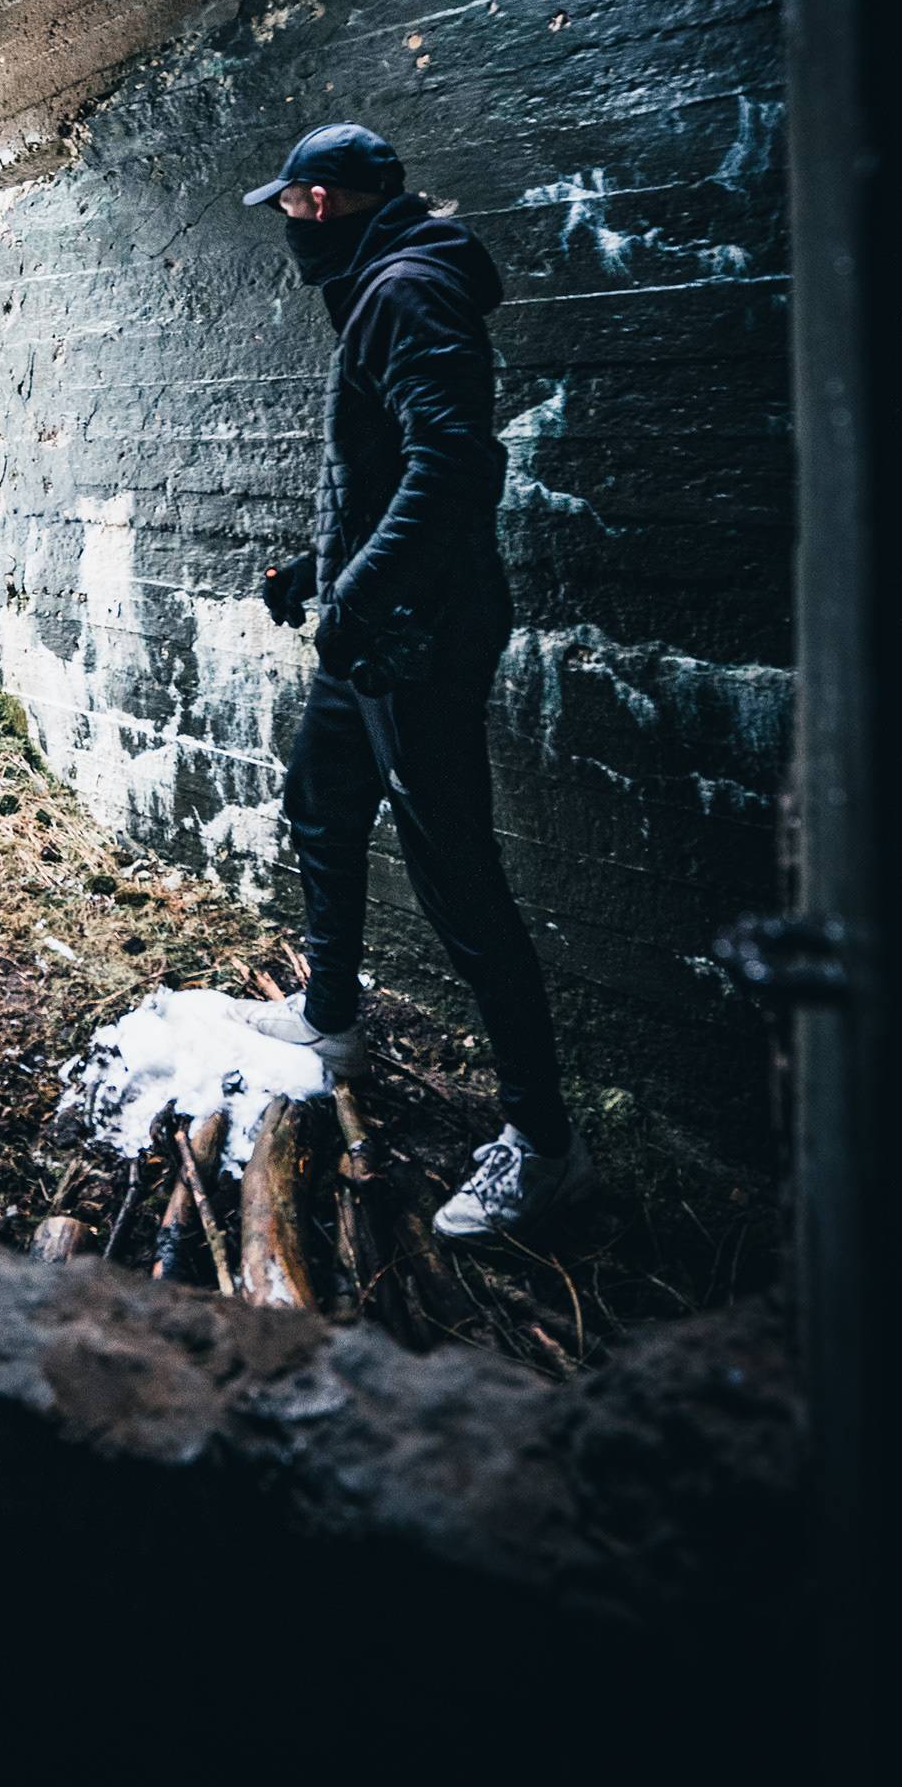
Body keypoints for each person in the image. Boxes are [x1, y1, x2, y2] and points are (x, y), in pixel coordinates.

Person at [228, 122, 593, 1241]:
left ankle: (541, 1145)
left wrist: (362, 591)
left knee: (457, 881)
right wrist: (320, 569)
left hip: (414, 636)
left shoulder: (406, 289)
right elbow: (387, 468)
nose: (287, 226)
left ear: (323, 202)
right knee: (322, 805)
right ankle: (330, 1016)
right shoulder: (391, 284)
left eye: (289, 206)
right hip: (378, 621)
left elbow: (454, 463)